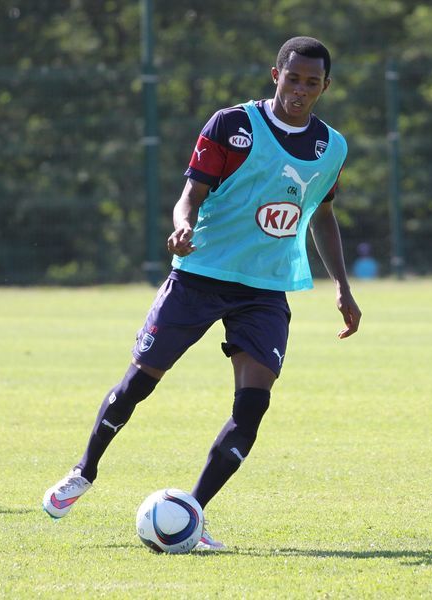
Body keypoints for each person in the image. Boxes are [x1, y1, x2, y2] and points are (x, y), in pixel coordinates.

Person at [42, 37, 361, 550]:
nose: (300, 90)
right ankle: (84, 471)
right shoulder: (232, 125)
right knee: (138, 383)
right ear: (275, 75)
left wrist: (342, 286)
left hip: (264, 290)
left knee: (253, 406)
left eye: (312, 82)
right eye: (292, 78)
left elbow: (323, 214)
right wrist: (182, 225)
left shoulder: (333, 147)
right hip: (200, 276)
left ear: (326, 86)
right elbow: (191, 193)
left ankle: (190, 512)